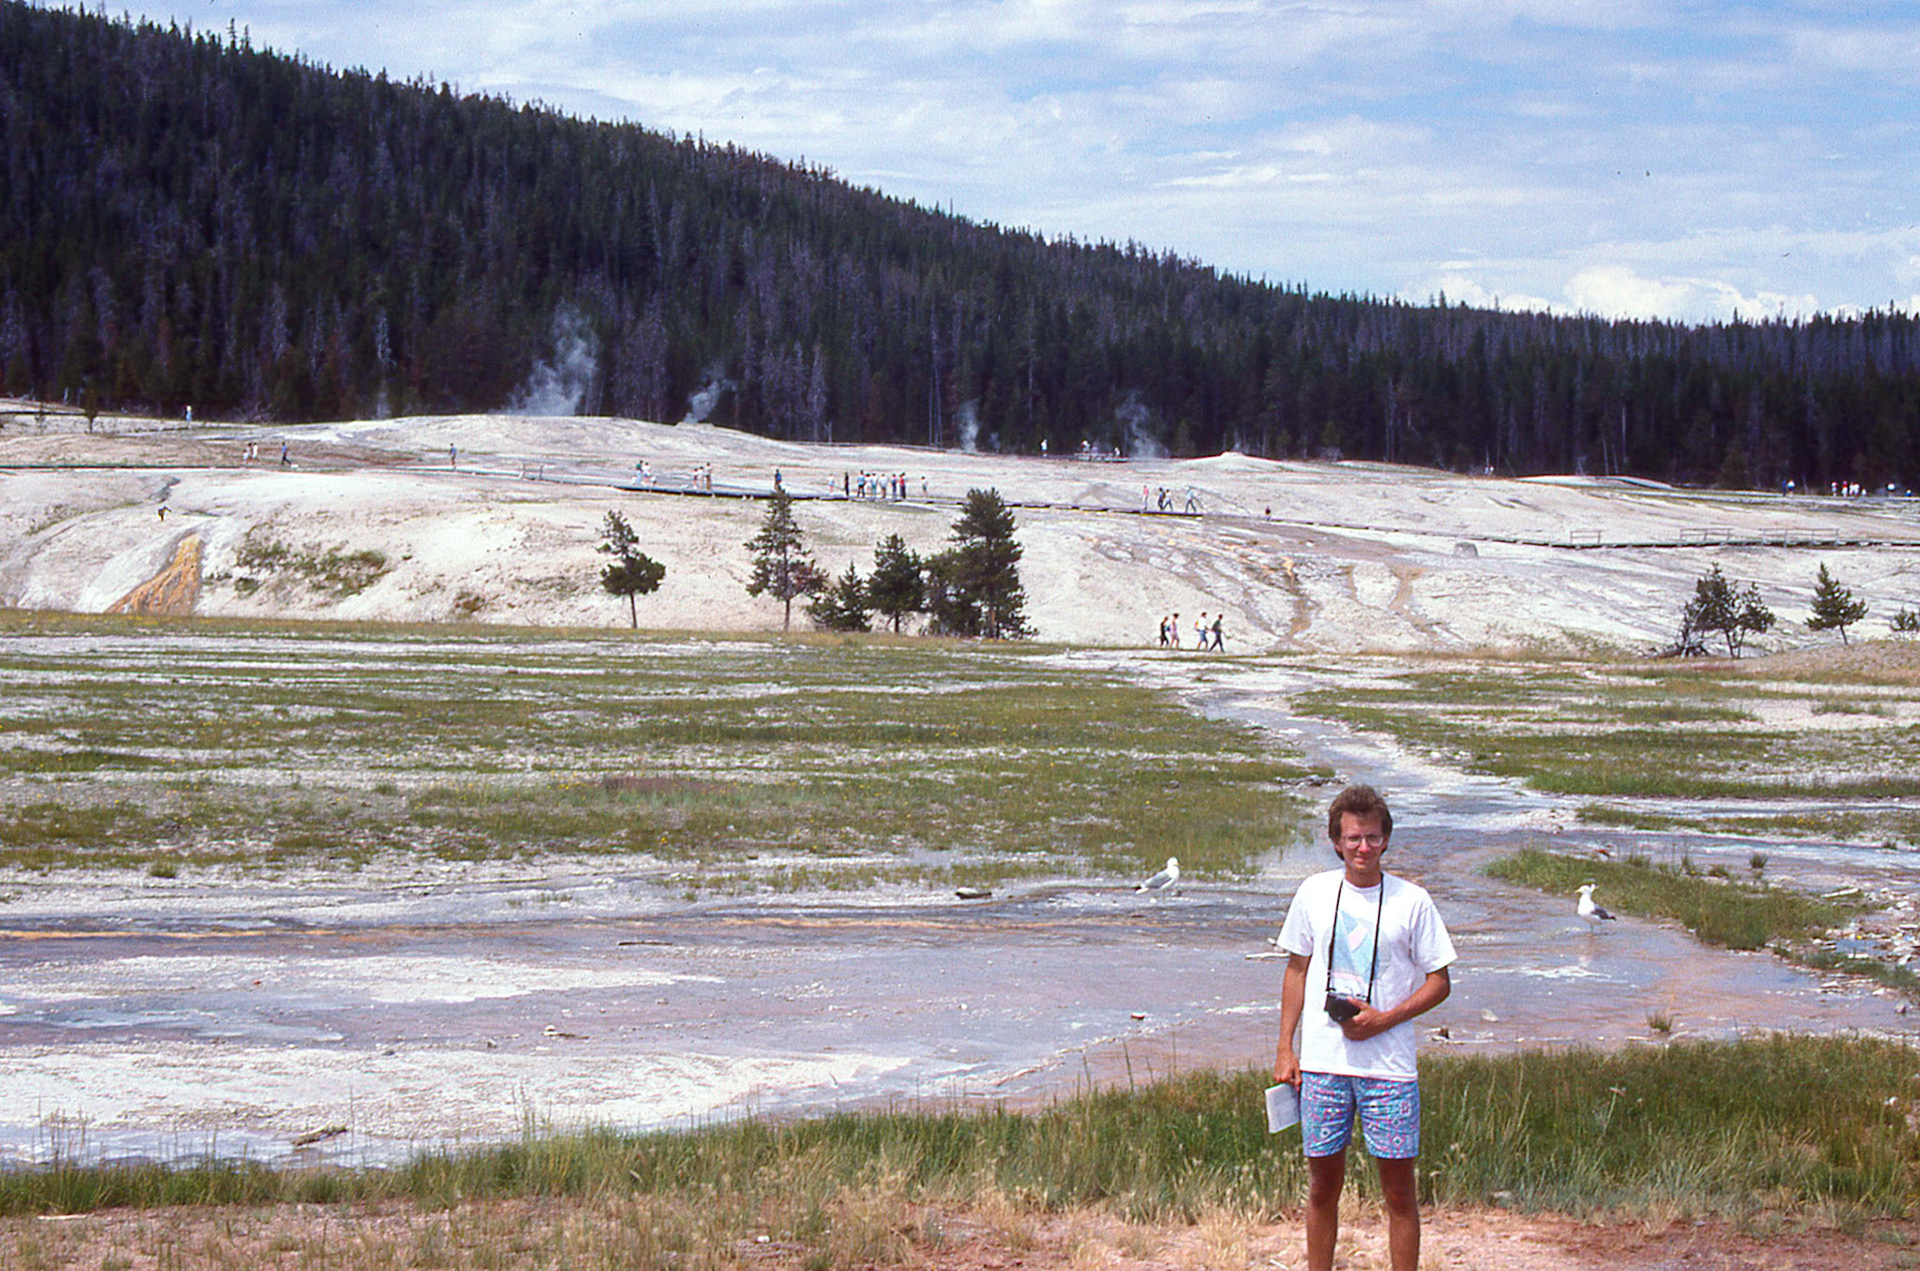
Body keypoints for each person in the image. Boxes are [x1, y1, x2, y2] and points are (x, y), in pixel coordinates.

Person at [1274, 785, 1455, 1271]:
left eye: (1372, 838)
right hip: (1322, 1065)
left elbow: (1440, 982)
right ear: (1336, 841)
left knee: (1399, 1194)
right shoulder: (1313, 892)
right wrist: (1285, 1049)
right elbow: (1296, 969)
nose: (1362, 848)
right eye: (1352, 838)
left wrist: (1384, 1019)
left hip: (1389, 1070)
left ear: (1386, 839)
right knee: (1321, 1188)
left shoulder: (1412, 901)